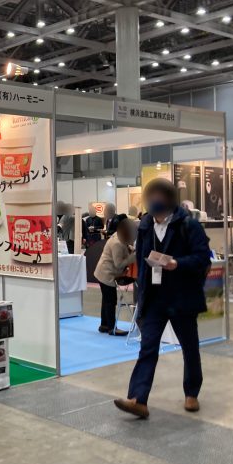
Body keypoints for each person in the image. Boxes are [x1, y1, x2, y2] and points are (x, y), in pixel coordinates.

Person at [114, 178, 211, 419]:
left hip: (182, 297)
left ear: (169, 199)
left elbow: (202, 258)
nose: (155, 201)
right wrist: (141, 296)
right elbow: (142, 262)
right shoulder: (145, 225)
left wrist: (178, 263)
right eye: (152, 196)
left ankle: (191, 393)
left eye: (160, 196)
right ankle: (138, 399)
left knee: (189, 348)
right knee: (147, 348)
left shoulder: (188, 224)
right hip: (154, 298)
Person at [94, 215, 136, 336]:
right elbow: (118, 264)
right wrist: (132, 258)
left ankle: (104, 325)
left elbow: (125, 245)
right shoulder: (117, 243)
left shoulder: (118, 236)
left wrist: (130, 248)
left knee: (106, 300)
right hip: (106, 274)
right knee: (111, 301)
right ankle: (112, 328)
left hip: (102, 272)